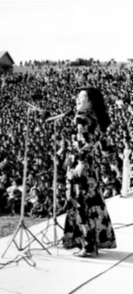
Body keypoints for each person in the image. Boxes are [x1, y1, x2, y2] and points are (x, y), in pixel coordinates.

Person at [63, 87, 117, 258]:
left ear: (91, 102)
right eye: (78, 96)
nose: (78, 99)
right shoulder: (95, 117)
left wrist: (79, 162)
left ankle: (87, 245)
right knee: (92, 202)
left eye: (82, 97)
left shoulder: (82, 118)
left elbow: (86, 143)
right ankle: (91, 241)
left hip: (82, 166)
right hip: (90, 166)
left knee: (81, 204)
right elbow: (102, 145)